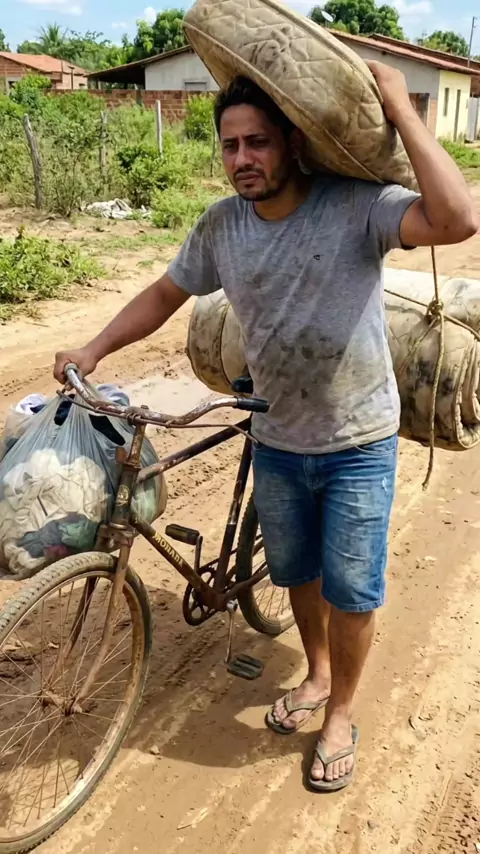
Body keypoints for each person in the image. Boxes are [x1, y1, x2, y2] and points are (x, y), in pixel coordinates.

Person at [54, 64, 478, 792]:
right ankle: (317, 672)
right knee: (298, 574)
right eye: (230, 145)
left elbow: (458, 220)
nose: (242, 158)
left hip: (357, 443)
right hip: (275, 437)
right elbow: (164, 292)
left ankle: (339, 713)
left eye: (257, 142)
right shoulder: (222, 225)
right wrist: (93, 348)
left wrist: (401, 110)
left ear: (292, 144)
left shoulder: (356, 206)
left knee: (353, 589)